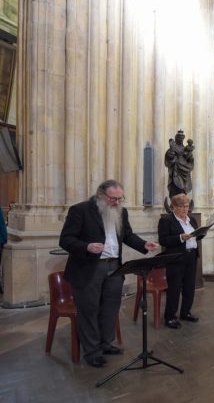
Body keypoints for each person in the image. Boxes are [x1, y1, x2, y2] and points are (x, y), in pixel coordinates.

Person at [59, 180, 159, 368]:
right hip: (89, 268)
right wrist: (86, 246)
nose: (116, 202)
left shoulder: (122, 212)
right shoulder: (80, 210)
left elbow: (127, 235)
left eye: (120, 198)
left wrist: (143, 245)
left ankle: (106, 344)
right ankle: (92, 352)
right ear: (100, 195)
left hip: (114, 267)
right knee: (89, 310)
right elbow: (65, 240)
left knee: (110, 309)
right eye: (113, 199)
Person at [158, 193, 204, 329]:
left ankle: (185, 312)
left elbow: (195, 237)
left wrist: (201, 233)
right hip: (176, 258)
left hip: (191, 257)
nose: (185, 209)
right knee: (174, 288)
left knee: (189, 287)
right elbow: (163, 240)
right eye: (182, 206)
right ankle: (170, 317)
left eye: (187, 206)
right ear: (174, 207)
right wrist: (180, 238)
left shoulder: (192, 220)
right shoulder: (167, 220)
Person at [164, 130, 195, 197]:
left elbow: (190, 160)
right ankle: (174, 204)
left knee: (183, 190)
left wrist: (191, 158)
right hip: (176, 171)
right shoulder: (173, 147)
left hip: (184, 172)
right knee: (175, 189)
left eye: (181, 138)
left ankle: (183, 203)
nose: (180, 139)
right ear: (176, 138)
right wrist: (171, 154)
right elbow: (169, 157)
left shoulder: (185, 148)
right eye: (179, 137)